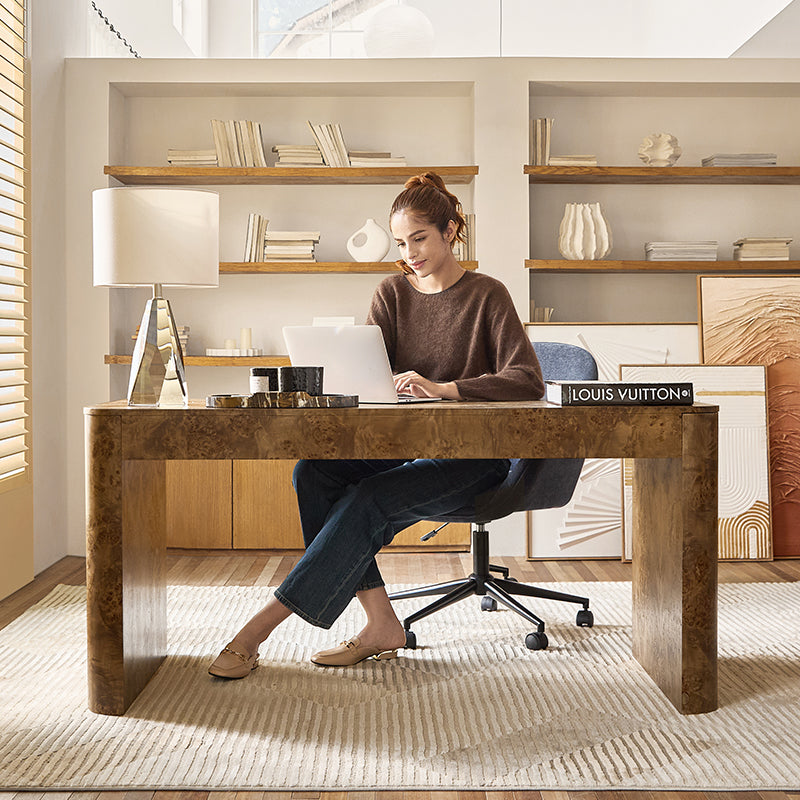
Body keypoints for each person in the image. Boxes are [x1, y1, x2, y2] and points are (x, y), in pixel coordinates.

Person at [208, 172, 544, 679]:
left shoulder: (487, 295)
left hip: (475, 458)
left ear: (451, 230)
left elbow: (527, 379)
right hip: (403, 443)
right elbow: (364, 373)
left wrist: (444, 388)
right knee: (313, 474)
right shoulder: (390, 293)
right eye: (402, 242)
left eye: (421, 238)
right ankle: (381, 623)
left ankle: (257, 630)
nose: (410, 252)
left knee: (368, 499)